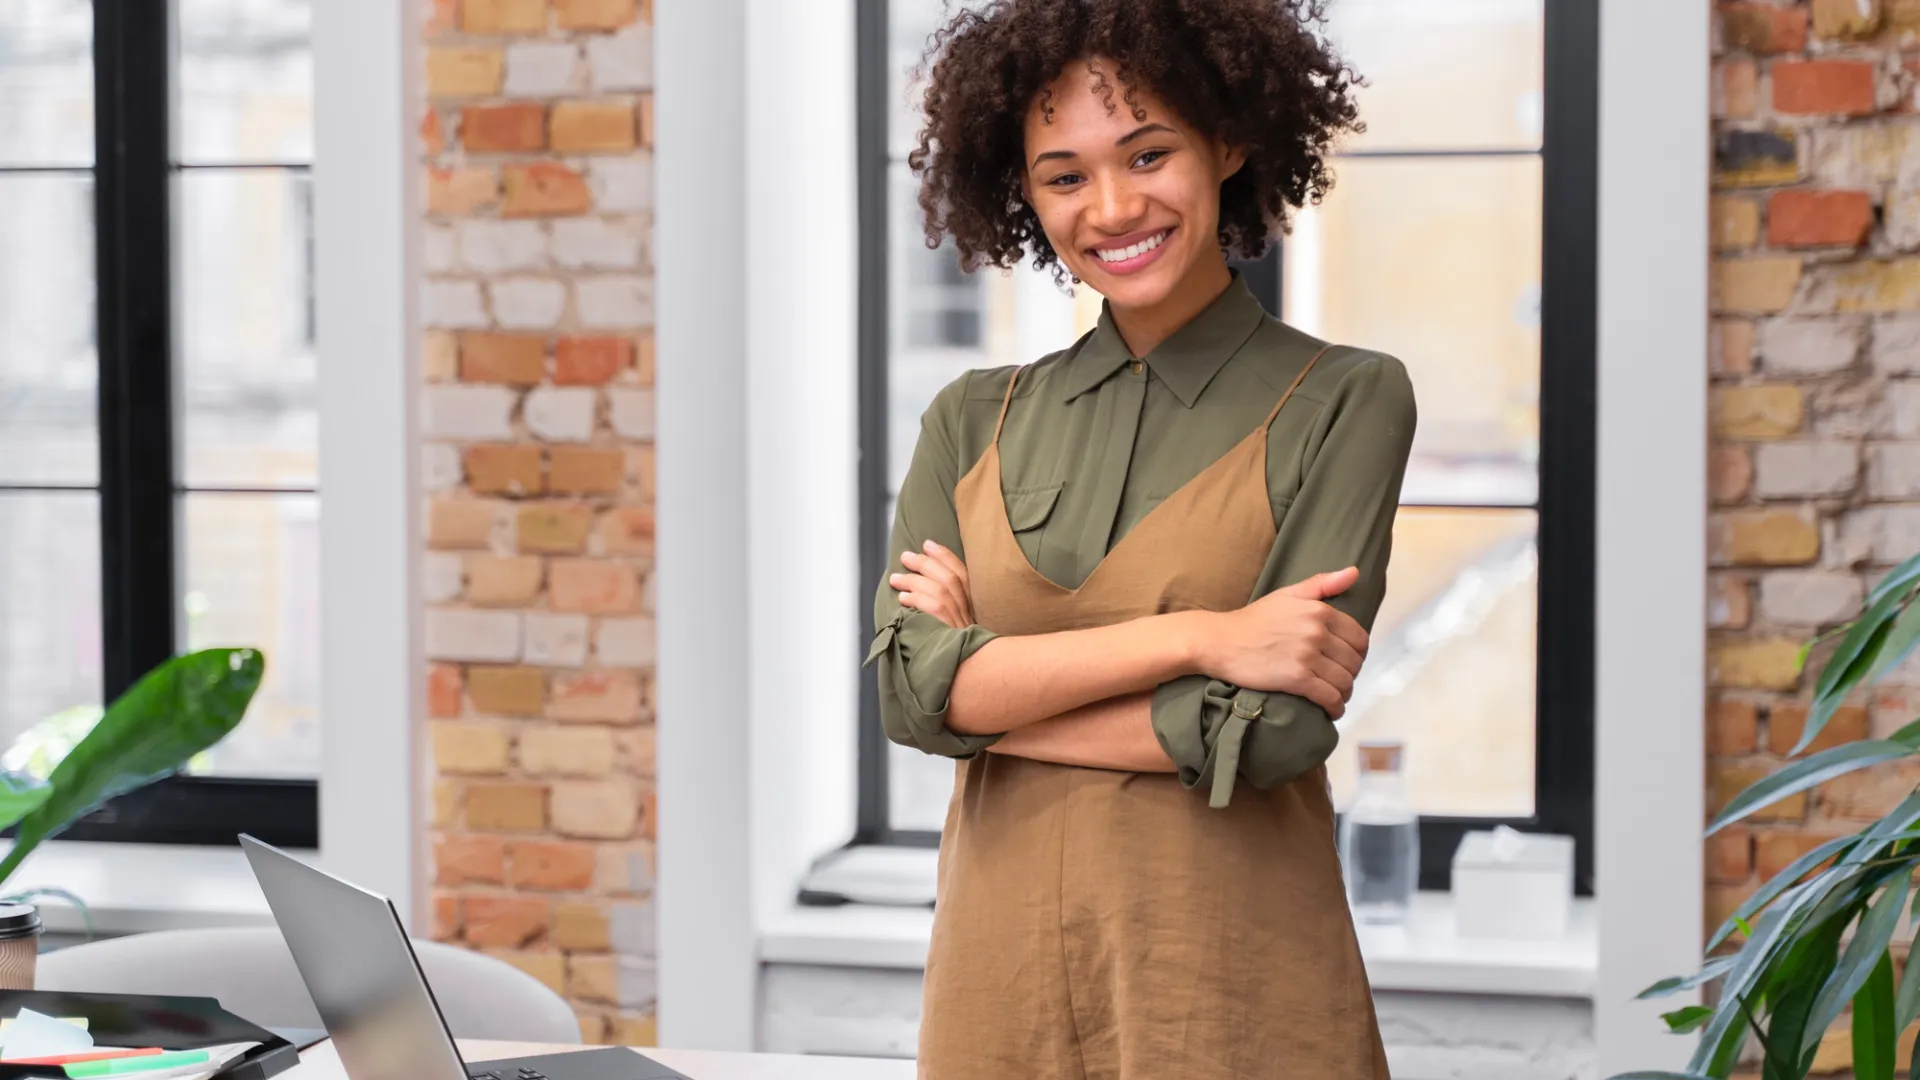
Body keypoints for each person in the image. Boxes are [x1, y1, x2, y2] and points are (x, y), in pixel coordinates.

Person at [867, 2, 1416, 1077]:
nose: (1113, 208)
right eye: (1064, 174)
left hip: (1232, 988)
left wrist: (983, 699)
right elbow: (904, 698)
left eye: (1148, 153)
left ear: (1229, 139)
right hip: (1000, 989)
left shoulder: (1345, 399)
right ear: (1021, 191)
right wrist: (1203, 642)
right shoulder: (970, 419)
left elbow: (1270, 737)